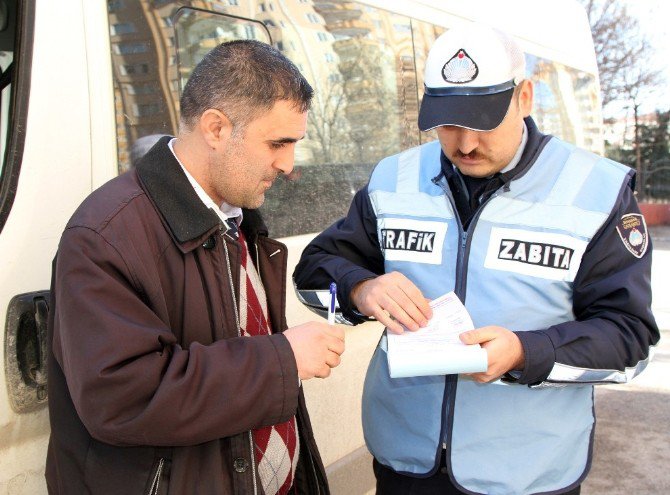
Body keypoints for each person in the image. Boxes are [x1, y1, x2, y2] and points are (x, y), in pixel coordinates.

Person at [293, 23, 659, 495]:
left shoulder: (597, 191)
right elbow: (313, 273)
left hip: (527, 473)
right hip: (404, 460)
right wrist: (361, 289)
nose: (464, 144)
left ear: (524, 98)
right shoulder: (394, 179)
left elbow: (629, 340)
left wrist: (527, 352)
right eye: (448, 124)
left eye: (482, 122)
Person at [46, 40, 345, 495]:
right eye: (277, 143)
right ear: (216, 128)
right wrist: (282, 360)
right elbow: (124, 398)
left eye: (294, 144)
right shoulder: (105, 235)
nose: (288, 165)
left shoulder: (237, 217)